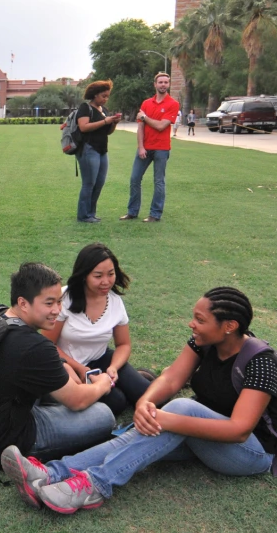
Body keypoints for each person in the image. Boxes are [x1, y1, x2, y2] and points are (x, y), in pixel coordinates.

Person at [1, 287, 277, 514]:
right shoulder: (204, 342)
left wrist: (167, 418)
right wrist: (145, 402)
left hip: (248, 453)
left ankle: (93, 485)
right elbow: (172, 378)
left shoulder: (260, 362)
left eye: (200, 319)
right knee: (136, 436)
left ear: (229, 326)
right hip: (204, 436)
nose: (192, 324)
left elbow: (239, 430)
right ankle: (50, 474)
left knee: (177, 410)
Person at [0, 262, 117, 475]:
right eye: (49, 303)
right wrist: (103, 384)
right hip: (6, 440)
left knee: (55, 388)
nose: (57, 311)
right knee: (104, 415)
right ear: (23, 303)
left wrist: (62, 365)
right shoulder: (34, 345)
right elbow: (77, 399)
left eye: (59, 301)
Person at [43, 244, 152, 417]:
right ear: (84, 275)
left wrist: (114, 368)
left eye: (111, 274)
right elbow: (47, 345)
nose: (106, 281)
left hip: (102, 359)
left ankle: (136, 377)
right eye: (98, 276)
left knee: (147, 395)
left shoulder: (115, 302)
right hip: (68, 363)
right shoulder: (64, 299)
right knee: (117, 403)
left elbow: (123, 344)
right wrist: (79, 368)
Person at [121, 73, 179, 223]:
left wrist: (145, 118)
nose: (163, 85)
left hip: (162, 148)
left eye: (166, 82)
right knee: (135, 179)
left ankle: (155, 214)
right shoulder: (146, 103)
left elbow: (161, 126)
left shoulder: (173, 104)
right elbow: (140, 127)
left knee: (159, 181)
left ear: (169, 84)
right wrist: (141, 147)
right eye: (160, 82)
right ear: (155, 84)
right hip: (145, 147)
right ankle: (132, 212)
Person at [74, 80, 122, 223]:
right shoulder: (85, 108)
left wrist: (113, 123)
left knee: (99, 183)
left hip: (102, 150)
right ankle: (83, 215)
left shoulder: (104, 110)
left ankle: (91, 213)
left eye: (107, 96)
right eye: (103, 96)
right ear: (95, 95)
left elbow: (108, 132)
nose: (105, 99)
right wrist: (105, 121)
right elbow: (83, 127)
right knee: (89, 183)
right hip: (89, 149)